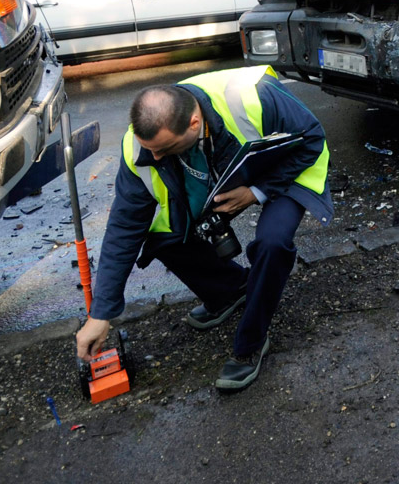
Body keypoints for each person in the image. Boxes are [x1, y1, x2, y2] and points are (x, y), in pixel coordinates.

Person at [74, 66, 332, 392]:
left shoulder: (252, 95)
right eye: (150, 148)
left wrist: (256, 192)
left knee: (271, 242)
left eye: (164, 150)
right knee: (163, 237)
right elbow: (125, 226)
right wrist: (101, 314)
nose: (153, 157)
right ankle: (232, 291)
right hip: (224, 176)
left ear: (194, 124)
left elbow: (312, 139)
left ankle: (251, 344)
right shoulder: (140, 147)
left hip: (289, 170)